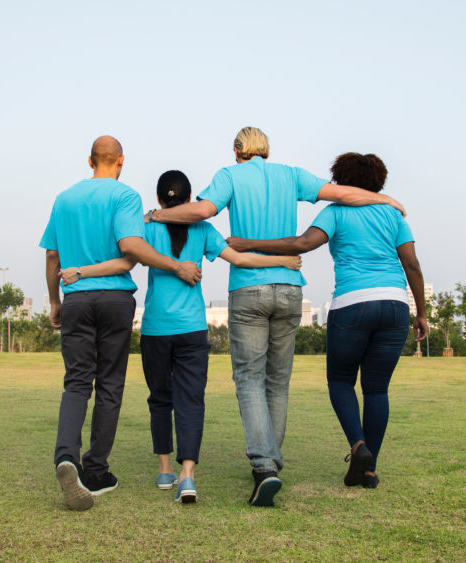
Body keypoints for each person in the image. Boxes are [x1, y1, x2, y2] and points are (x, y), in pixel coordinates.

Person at [146, 127, 406, 506]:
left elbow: (202, 211)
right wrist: (386, 199)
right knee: (278, 382)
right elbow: (341, 193)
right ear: (265, 149)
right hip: (290, 288)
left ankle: (264, 467)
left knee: (249, 379)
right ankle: (271, 463)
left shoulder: (230, 176)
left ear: (238, 150)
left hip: (248, 288)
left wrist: (156, 214)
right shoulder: (292, 174)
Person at [60, 170, 302, 504]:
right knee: (191, 400)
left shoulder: (145, 228)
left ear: (160, 199)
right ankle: (187, 477)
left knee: (160, 399)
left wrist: (81, 271)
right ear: (189, 200)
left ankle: (164, 471)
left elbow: (121, 261)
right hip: (192, 329)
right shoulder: (202, 228)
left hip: (155, 329)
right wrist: (285, 261)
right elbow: (241, 259)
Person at [227, 152, 428, 489]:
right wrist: (421, 312)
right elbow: (412, 265)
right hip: (394, 304)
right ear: (379, 181)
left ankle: (358, 445)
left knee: (340, 382)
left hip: (352, 303)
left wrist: (249, 243)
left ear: (341, 179)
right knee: (377, 389)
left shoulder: (336, 212)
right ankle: (368, 469)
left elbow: (302, 243)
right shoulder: (393, 215)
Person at [39, 136, 202, 511]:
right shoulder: (125, 197)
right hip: (115, 300)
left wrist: (53, 299)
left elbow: (52, 255)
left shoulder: (64, 199)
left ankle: (67, 457)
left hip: (76, 298)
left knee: (76, 382)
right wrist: (176, 265)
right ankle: (96, 470)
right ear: (121, 161)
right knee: (110, 384)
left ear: (90, 160)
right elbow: (130, 248)